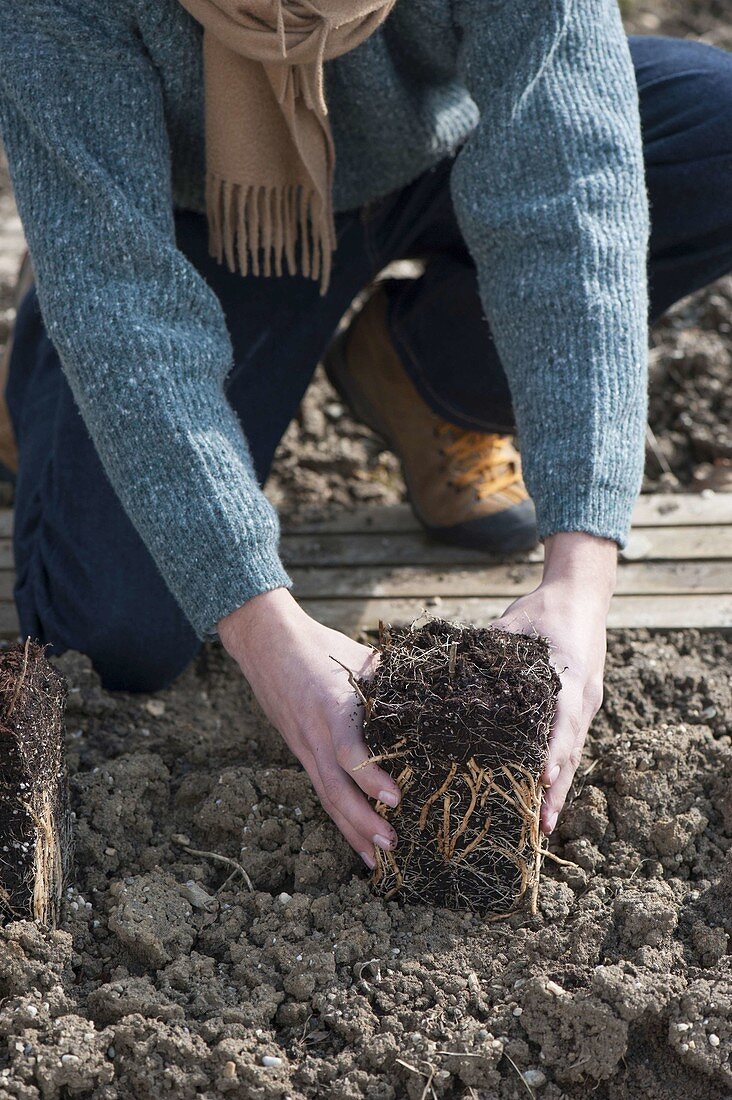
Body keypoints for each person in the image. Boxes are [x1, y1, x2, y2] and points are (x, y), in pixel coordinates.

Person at [0, 1, 730, 869]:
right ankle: (53, 360)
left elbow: (573, 202)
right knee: (115, 627)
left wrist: (580, 581)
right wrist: (270, 641)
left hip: (437, 152)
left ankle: (413, 370)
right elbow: (124, 305)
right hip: (198, 215)